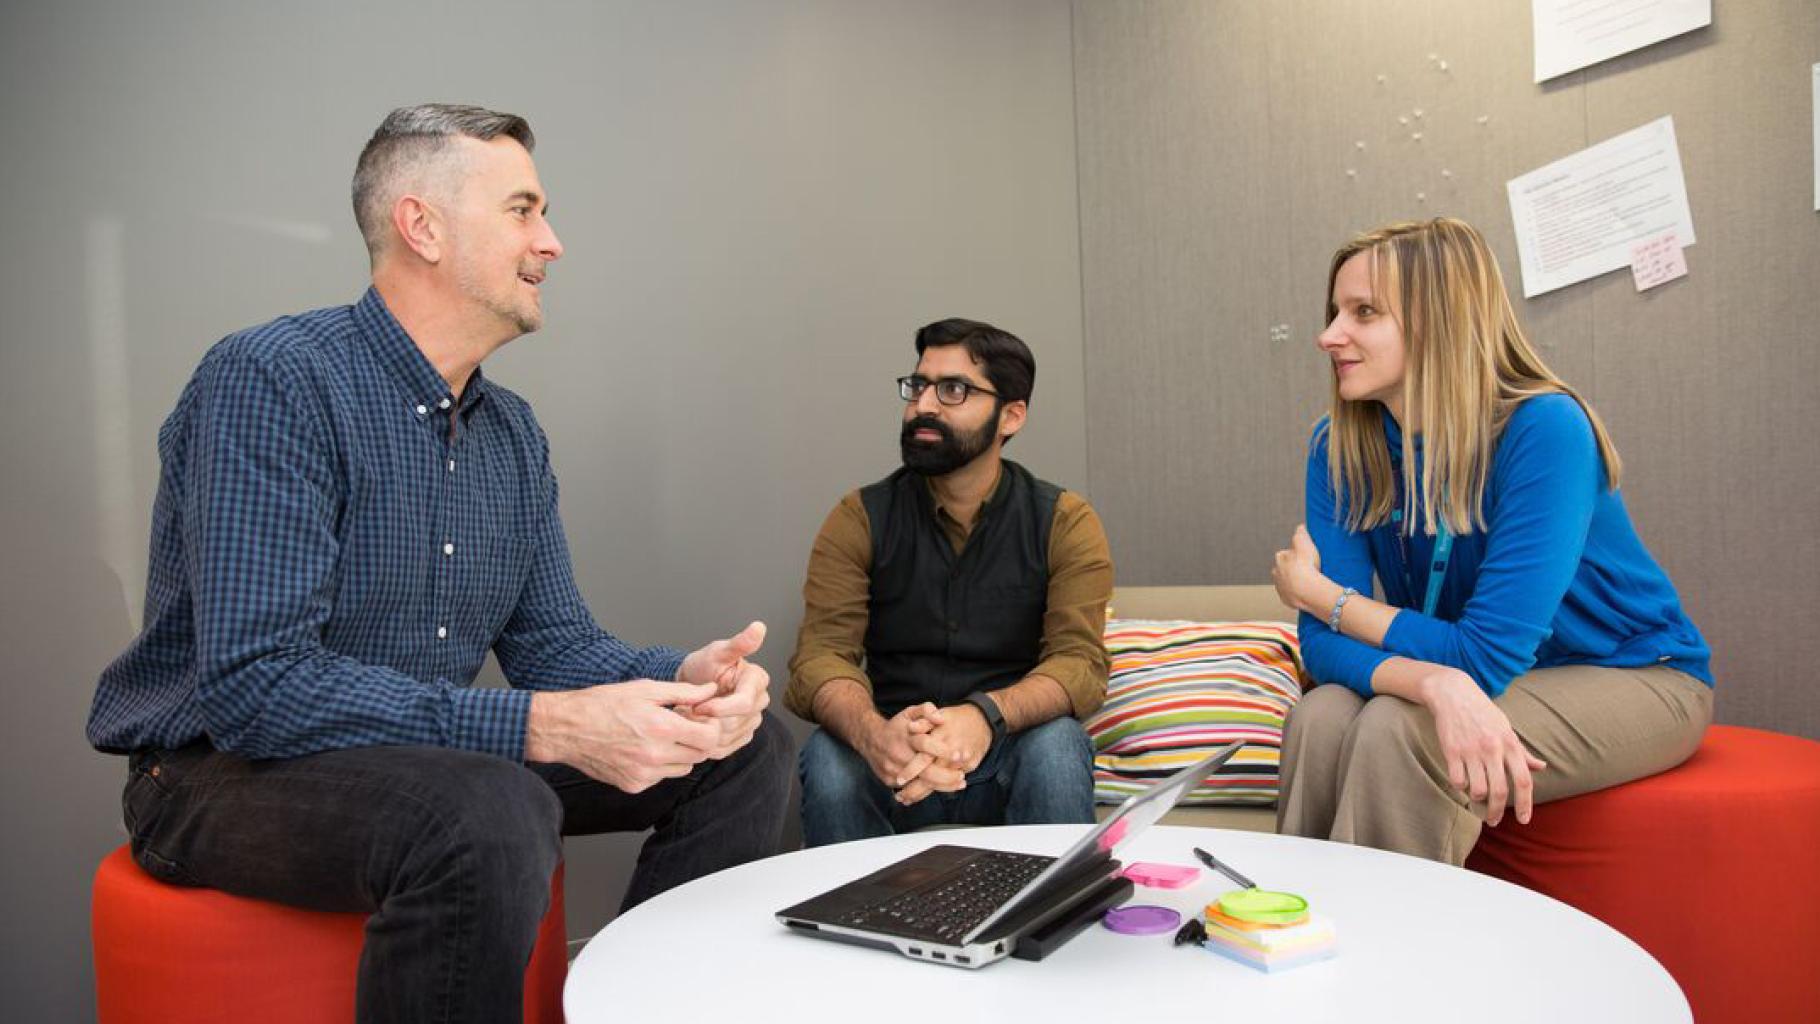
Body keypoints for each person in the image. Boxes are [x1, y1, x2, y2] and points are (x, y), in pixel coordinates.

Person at [85, 104, 791, 1022]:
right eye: (523, 210)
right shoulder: (273, 379)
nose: (553, 242)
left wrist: (682, 680)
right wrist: (542, 729)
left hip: (430, 760)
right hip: (216, 773)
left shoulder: (511, 433)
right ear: (422, 225)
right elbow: (257, 689)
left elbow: (558, 646)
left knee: (742, 749)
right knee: (489, 810)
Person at [1270, 217, 1713, 866]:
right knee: (1321, 715)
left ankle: (1392, 960)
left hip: (1635, 674)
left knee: (1403, 731)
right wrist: (1437, 684)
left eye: (1363, 312)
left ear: (1438, 321)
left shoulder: (1546, 429)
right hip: (1474, 670)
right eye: (1335, 311)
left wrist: (1322, 597)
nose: (1329, 335)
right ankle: (1286, 940)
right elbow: (1320, 649)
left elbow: (1480, 657)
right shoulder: (1338, 445)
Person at [785, 318, 1113, 847]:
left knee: (1058, 745)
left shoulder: (1065, 521)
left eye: (953, 389)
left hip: (1008, 753)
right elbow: (819, 659)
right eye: (918, 386)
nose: (924, 406)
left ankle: (1047, 922)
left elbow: (1080, 666)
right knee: (828, 755)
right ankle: (854, 922)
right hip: (894, 751)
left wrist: (985, 716)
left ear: (1011, 416)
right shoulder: (858, 517)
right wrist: (876, 736)